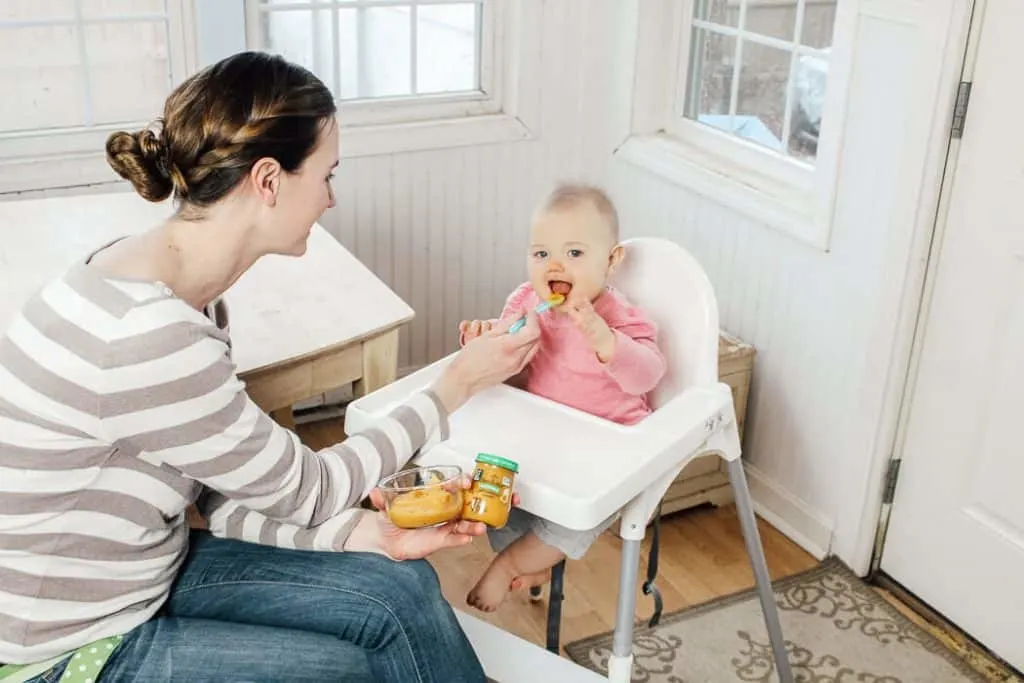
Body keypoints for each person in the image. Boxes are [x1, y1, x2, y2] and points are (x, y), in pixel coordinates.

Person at [0, 52, 541, 682]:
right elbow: (309, 490)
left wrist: (372, 537)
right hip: (62, 646)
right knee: (347, 670)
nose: (331, 199)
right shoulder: (152, 334)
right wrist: (457, 382)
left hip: (142, 573)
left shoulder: (171, 291)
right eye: (326, 175)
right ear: (268, 179)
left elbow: (218, 492)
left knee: (401, 589)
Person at [458, 184, 667, 612]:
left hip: (606, 449)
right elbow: (506, 357)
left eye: (574, 254)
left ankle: (511, 566)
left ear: (611, 262)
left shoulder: (620, 318)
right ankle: (535, 560)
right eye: (541, 254)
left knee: (567, 525)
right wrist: (483, 338)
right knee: (498, 500)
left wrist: (604, 339)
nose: (554, 264)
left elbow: (648, 374)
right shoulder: (529, 305)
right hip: (543, 435)